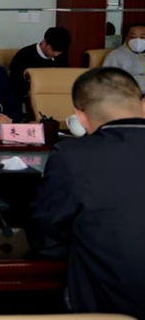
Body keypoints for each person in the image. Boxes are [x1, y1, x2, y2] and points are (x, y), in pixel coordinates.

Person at [31, 68, 145, 318]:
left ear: (80, 117)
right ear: (141, 104)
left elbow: (47, 234)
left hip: (112, 307)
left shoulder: (73, 155)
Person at [8, 26, 72, 103]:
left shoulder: (61, 55)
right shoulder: (24, 55)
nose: (56, 54)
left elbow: (64, 76)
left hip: (55, 95)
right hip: (31, 98)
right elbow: (15, 83)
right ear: (44, 42)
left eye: (60, 52)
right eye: (52, 50)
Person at [102, 22, 145, 93]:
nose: (137, 40)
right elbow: (107, 80)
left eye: (142, 37)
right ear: (127, 38)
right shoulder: (115, 55)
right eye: (133, 37)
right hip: (128, 93)